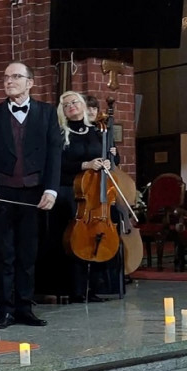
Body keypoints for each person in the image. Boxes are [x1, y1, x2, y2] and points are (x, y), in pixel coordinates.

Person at [0, 62, 61, 329]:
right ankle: (5, 311)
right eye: (6, 77)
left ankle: (25, 308)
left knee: (28, 254)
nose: (9, 81)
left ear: (30, 83)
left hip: (34, 194)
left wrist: (51, 188)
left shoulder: (46, 113)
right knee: (4, 254)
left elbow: (55, 152)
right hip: (1, 195)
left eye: (16, 76)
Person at [50, 90, 118, 302]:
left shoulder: (97, 131)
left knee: (97, 234)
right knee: (73, 238)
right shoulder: (60, 133)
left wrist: (108, 161)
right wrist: (84, 165)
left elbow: (111, 157)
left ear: (82, 105)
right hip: (69, 190)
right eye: (66, 104)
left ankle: (96, 287)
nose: (72, 106)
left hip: (95, 193)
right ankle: (74, 289)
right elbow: (56, 164)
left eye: (75, 102)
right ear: (63, 111)